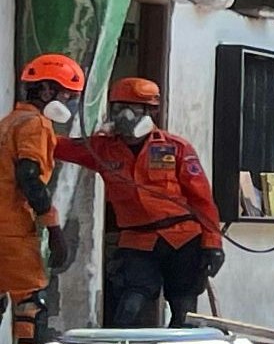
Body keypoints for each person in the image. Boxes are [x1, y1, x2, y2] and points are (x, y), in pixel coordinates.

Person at [65, 76, 222, 329]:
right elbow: (56, 147)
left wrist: (213, 244)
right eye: (118, 108)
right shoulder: (102, 149)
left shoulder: (176, 148)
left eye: (133, 108)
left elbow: (202, 200)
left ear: (151, 111)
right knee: (130, 304)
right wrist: (32, 126)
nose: (124, 115)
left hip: (182, 238)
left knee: (183, 308)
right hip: (137, 241)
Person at [0, 56, 80, 344]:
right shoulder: (35, 124)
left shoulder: (8, 122)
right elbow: (29, 176)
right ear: (46, 91)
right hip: (14, 230)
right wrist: (53, 227)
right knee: (30, 308)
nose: (70, 103)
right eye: (68, 96)